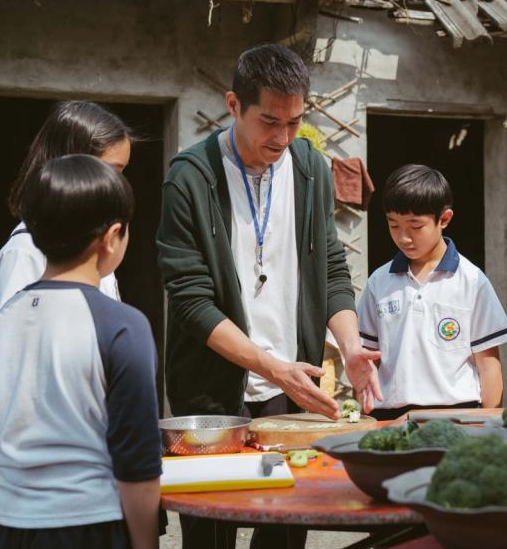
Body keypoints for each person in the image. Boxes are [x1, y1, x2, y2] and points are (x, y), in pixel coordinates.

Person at [156, 43, 381, 549]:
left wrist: (350, 346)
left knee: (285, 525)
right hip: (211, 391)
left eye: (295, 121)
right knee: (211, 529)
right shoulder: (189, 179)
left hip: (291, 385)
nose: (283, 137)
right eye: (269, 122)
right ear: (233, 105)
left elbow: (330, 266)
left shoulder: (309, 167)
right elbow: (191, 302)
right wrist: (271, 366)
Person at [0, 155, 161, 549]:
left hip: (5, 528)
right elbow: (137, 463)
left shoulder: (1, 325)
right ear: (113, 236)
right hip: (89, 526)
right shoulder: (122, 326)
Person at [357, 164, 507, 421]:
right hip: (389, 417)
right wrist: (366, 416)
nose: (404, 237)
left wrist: (489, 423)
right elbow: (367, 361)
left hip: (458, 416)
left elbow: (488, 365)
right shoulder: (378, 282)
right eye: (394, 225)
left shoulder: (472, 281)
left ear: (445, 219)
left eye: (415, 227)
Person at [0, 101, 133, 314]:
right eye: (111, 171)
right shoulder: (25, 251)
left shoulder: (98, 246)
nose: (118, 184)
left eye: (120, 173)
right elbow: (19, 338)